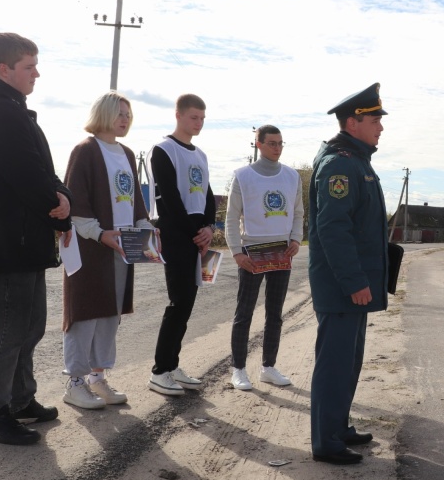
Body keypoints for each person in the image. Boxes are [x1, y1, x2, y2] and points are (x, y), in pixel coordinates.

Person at [0, 33, 71, 445]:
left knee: (28, 327)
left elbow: (45, 170)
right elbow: (25, 174)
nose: (36, 73)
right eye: (29, 66)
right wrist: (56, 207)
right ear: (4, 70)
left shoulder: (16, 111)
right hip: (3, 240)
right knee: (3, 331)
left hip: (24, 239)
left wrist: (65, 198)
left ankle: (20, 401)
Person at [309, 83, 389, 465]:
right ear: (353, 122)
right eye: (375, 119)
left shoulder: (356, 159)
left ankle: (338, 427)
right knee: (335, 363)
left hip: (352, 286)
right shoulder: (340, 163)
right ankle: (326, 441)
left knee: (349, 361)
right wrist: (355, 281)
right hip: (343, 286)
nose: (381, 127)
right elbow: (333, 229)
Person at [62, 92, 154, 409]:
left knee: (110, 315)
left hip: (122, 247)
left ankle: (97, 378)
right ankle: (74, 383)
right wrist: (100, 234)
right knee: (85, 313)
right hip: (90, 248)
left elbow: (135, 203)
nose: (125, 119)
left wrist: (146, 228)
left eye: (128, 114)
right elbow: (75, 205)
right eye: (119, 113)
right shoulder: (85, 151)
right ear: (103, 114)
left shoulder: (127, 154)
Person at [147, 94, 217, 396]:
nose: (198, 123)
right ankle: (160, 370)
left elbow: (208, 195)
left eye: (202, 118)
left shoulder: (200, 154)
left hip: (199, 237)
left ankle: (173, 364)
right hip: (178, 235)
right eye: (193, 117)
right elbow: (170, 201)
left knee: (189, 301)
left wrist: (210, 229)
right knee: (178, 301)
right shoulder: (163, 150)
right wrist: (195, 233)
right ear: (178, 115)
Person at [225, 125, 304, 391]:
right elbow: (231, 218)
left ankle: (268, 367)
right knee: (244, 313)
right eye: (272, 143)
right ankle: (238, 370)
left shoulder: (292, 176)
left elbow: (298, 213)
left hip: (282, 252)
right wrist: (236, 251)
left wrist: (295, 238)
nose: (277, 148)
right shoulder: (243, 176)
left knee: (275, 313)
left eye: (281, 143)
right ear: (258, 144)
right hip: (252, 254)